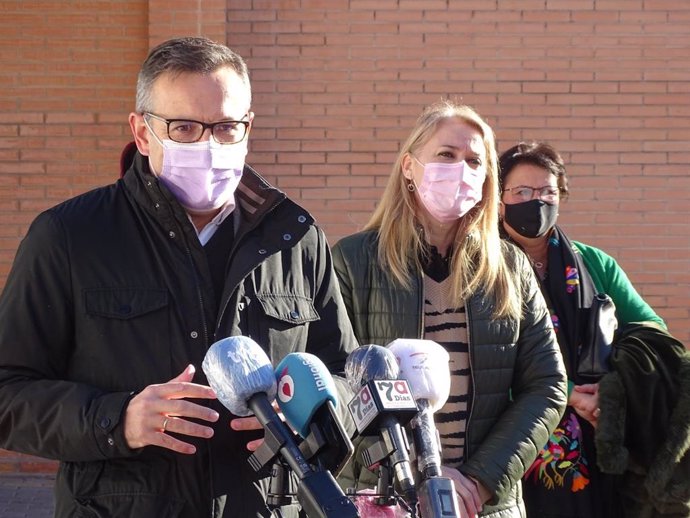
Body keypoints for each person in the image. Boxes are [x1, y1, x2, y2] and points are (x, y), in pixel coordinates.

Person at [0, 37, 358, 518]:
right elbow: (8, 393)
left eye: (226, 127)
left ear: (248, 128)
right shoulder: (69, 237)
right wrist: (119, 419)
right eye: (184, 127)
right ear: (143, 133)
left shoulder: (294, 236)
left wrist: (318, 414)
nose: (208, 144)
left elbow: (344, 373)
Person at [332, 100, 568, 518]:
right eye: (446, 155)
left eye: (475, 160)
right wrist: (410, 476)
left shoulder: (510, 268)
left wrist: (478, 479)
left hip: (482, 504)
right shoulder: (352, 261)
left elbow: (547, 385)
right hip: (381, 499)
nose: (462, 169)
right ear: (409, 166)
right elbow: (337, 381)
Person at [497, 140, 666, 518]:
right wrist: (571, 395)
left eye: (547, 191)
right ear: (498, 198)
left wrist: (612, 388)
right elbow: (480, 360)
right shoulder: (480, 267)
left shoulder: (594, 263)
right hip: (514, 438)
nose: (536, 201)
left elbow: (651, 330)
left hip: (601, 432)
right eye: (522, 191)